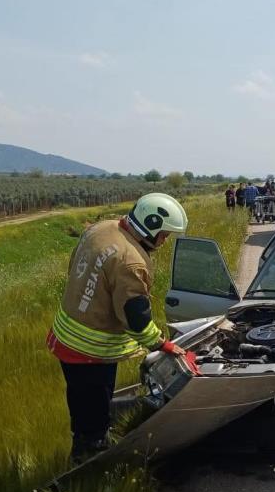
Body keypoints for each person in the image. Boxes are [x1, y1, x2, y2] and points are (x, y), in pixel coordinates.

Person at [46, 192, 188, 464]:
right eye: (165, 234)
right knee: (97, 407)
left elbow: (74, 265)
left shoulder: (102, 228)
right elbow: (135, 319)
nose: (165, 240)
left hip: (66, 334)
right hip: (92, 349)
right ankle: (93, 456)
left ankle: (81, 442)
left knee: (78, 399)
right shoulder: (131, 261)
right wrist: (161, 344)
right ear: (152, 225)